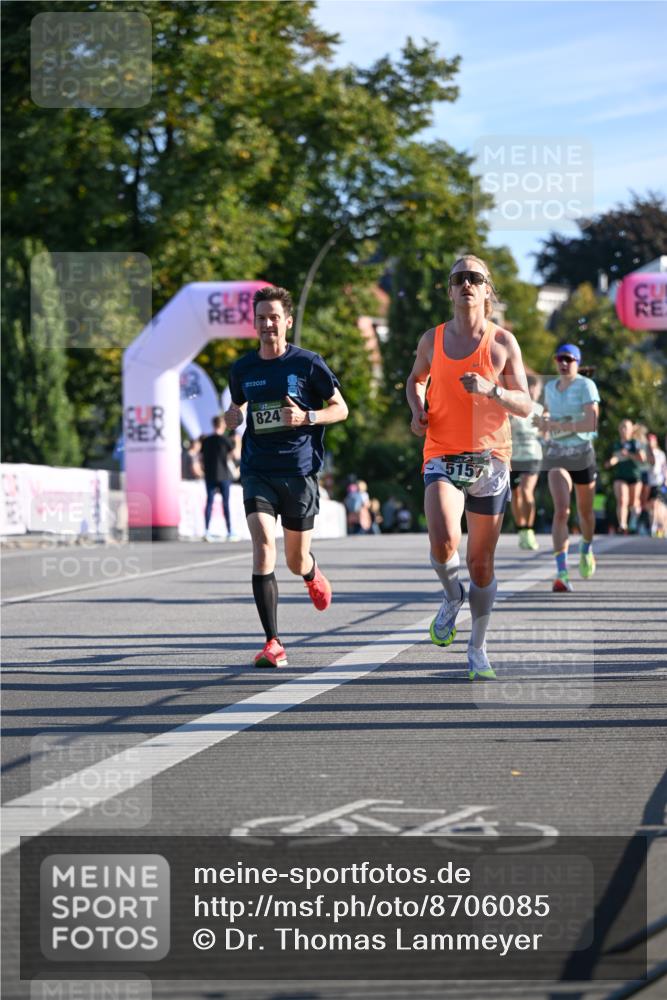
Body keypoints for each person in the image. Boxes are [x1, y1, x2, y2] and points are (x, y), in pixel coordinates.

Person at [406, 253, 531, 680]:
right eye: (458, 277)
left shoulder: (502, 343)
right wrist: (416, 406)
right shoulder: (432, 339)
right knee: (442, 537)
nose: (466, 284)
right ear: (450, 289)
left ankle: (477, 647)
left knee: (481, 563)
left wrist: (493, 390)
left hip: (490, 459)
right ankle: (450, 595)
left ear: (486, 289)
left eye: (474, 277)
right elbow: (415, 379)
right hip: (441, 451)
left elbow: (526, 404)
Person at [224, 285, 349, 668]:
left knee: (294, 560)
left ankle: (311, 573)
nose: (267, 324)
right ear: (255, 324)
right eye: (261, 318)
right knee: (263, 544)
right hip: (258, 470)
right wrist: (232, 418)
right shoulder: (243, 368)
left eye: (274, 317)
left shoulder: (308, 364)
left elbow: (341, 409)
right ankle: (273, 642)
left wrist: (307, 417)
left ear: (287, 322)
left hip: (299, 472)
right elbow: (236, 408)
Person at [538, 344, 600, 592]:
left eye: (569, 359)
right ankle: (561, 573)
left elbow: (590, 422)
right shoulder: (549, 387)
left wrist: (559, 426)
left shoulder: (586, 386)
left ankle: (586, 546)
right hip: (557, 454)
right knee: (561, 510)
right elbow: (545, 418)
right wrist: (544, 424)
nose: (563, 363)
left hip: (581, 453)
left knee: (584, 513)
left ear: (577, 362)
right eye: (559, 359)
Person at [509, 374, 544, 551]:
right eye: (530, 388)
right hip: (514, 456)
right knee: (515, 495)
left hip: (532, 456)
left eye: (536, 389)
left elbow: (546, 433)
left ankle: (529, 529)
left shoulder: (539, 410)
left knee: (526, 490)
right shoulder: (514, 407)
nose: (533, 391)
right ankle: (521, 528)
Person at [201, 416, 239, 541]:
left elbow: (201, 458)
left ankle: (206, 531)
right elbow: (235, 455)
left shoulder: (206, 441)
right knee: (226, 504)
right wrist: (237, 442)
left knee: (209, 503)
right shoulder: (226, 440)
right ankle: (229, 531)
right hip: (224, 475)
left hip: (210, 475)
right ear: (222, 425)